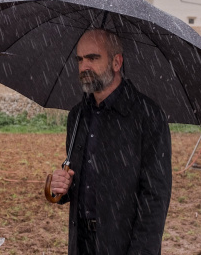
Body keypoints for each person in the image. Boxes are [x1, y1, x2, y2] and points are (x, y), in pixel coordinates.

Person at [50, 29, 172, 255]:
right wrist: (58, 186)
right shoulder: (77, 116)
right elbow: (82, 180)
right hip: (81, 244)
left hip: (123, 245)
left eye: (93, 58)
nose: (84, 66)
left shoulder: (147, 115)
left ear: (117, 62)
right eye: (80, 59)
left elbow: (155, 196)